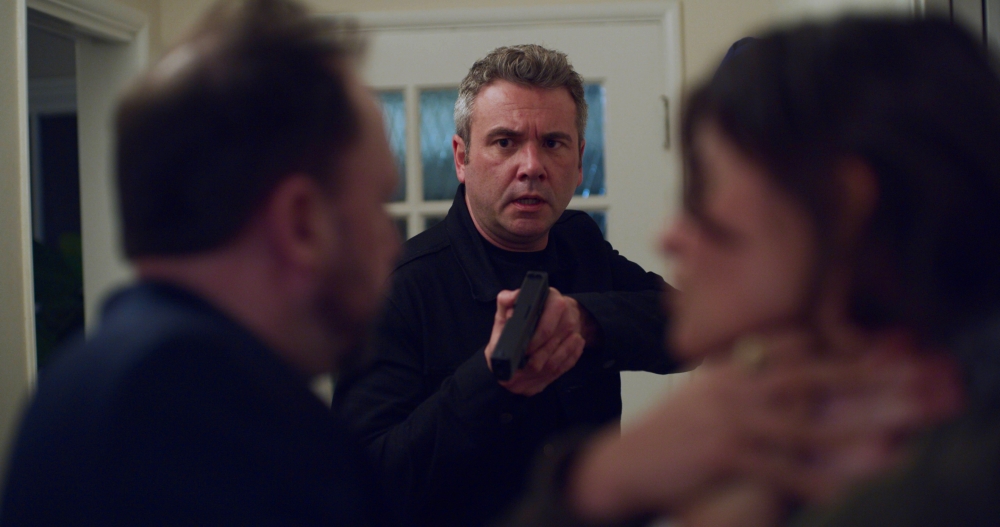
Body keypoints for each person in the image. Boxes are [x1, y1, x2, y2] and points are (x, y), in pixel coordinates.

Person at [500, 15, 1000, 527]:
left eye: (705, 188)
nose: (671, 236)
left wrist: (596, 482)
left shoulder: (935, 490)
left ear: (841, 208)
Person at [0, 0, 402, 524]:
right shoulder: (224, 423)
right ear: (302, 222)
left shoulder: (79, 382)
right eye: (378, 205)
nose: (392, 244)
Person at [333, 44, 680, 526]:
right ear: (461, 158)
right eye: (505, 142)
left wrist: (584, 320)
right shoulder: (399, 287)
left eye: (553, 143)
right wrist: (490, 380)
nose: (532, 165)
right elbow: (362, 483)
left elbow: (688, 327)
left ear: (580, 160)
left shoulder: (579, 241)